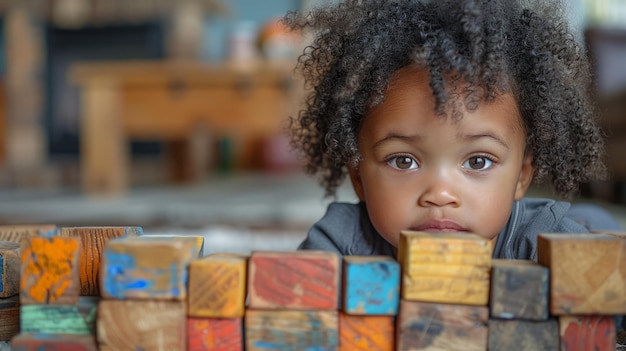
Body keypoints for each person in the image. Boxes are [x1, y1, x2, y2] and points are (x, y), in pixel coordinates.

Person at [285, 0, 621, 260]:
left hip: (585, 227)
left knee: (594, 228)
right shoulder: (340, 240)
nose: (440, 194)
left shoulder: (545, 244)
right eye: (403, 161)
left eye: (478, 161)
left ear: (521, 175)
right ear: (358, 177)